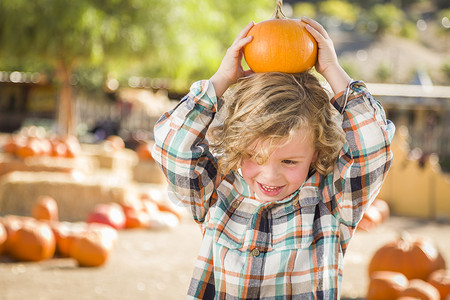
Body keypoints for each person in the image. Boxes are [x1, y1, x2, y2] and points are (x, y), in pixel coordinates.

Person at [152, 17, 395, 299]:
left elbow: (374, 148)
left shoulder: (331, 203)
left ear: (316, 151)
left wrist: (332, 71)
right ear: (237, 145)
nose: (269, 175)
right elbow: (172, 146)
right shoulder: (216, 195)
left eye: (289, 161)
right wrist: (221, 81)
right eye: (254, 156)